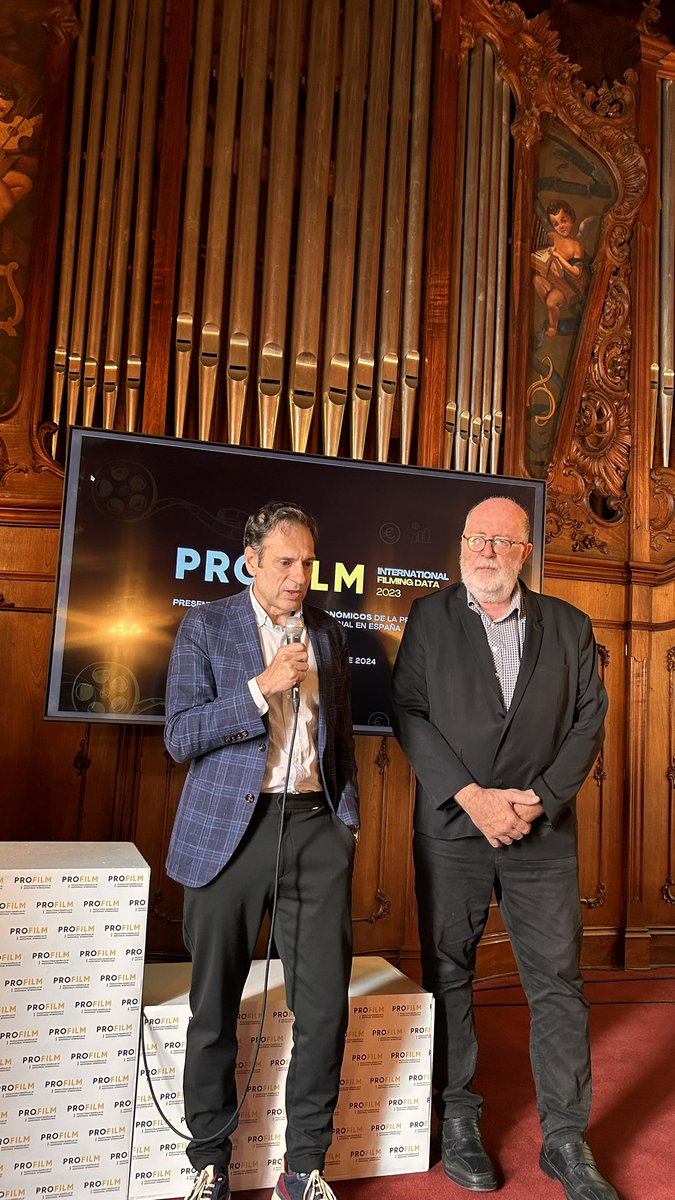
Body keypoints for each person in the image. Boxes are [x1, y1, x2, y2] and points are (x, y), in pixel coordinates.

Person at [391, 496, 617, 1200]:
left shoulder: (570, 626)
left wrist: (540, 800)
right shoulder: (429, 618)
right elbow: (409, 712)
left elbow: (589, 720)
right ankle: (457, 1118)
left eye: (500, 541)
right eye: (474, 538)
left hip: (539, 832)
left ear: (525, 553)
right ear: (461, 546)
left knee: (556, 983)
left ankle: (564, 1138)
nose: (484, 551)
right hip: (454, 830)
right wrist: (472, 797)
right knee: (448, 975)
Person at [164, 500, 359, 1200]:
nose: (299, 575)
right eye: (285, 562)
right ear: (251, 562)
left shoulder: (330, 635)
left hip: (314, 830)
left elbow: (340, 741)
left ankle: (304, 1168)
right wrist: (258, 687)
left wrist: (345, 823)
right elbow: (180, 736)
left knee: (325, 1009)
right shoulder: (206, 625)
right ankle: (208, 1164)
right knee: (214, 1007)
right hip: (228, 835)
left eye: (308, 562)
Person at [531, 200, 590, 338]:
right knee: (536, 280)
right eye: (556, 224)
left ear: (571, 220)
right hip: (556, 279)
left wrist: (558, 257)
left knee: (551, 300)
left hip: (572, 285)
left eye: (564, 221)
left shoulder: (575, 246)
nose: (561, 227)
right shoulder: (553, 237)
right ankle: (553, 309)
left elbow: (576, 273)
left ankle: (553, 326)